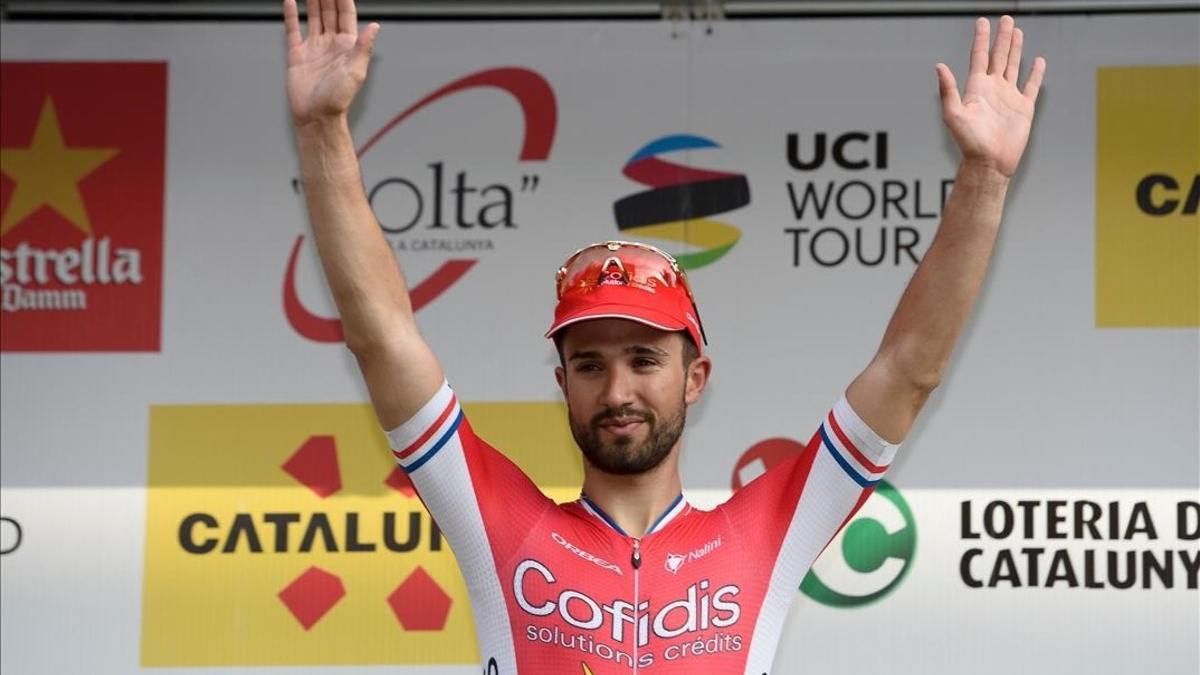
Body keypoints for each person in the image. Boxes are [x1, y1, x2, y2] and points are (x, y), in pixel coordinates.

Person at [282, 0, 1045, 672]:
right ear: (563, 383)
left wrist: (984, 176)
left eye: (644, 358)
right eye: (589, 363)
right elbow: (382, 337)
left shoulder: (767, 532)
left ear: (696, 376)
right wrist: (322, 129)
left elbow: (909, 369)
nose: (617, 391)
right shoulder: (500, 525)